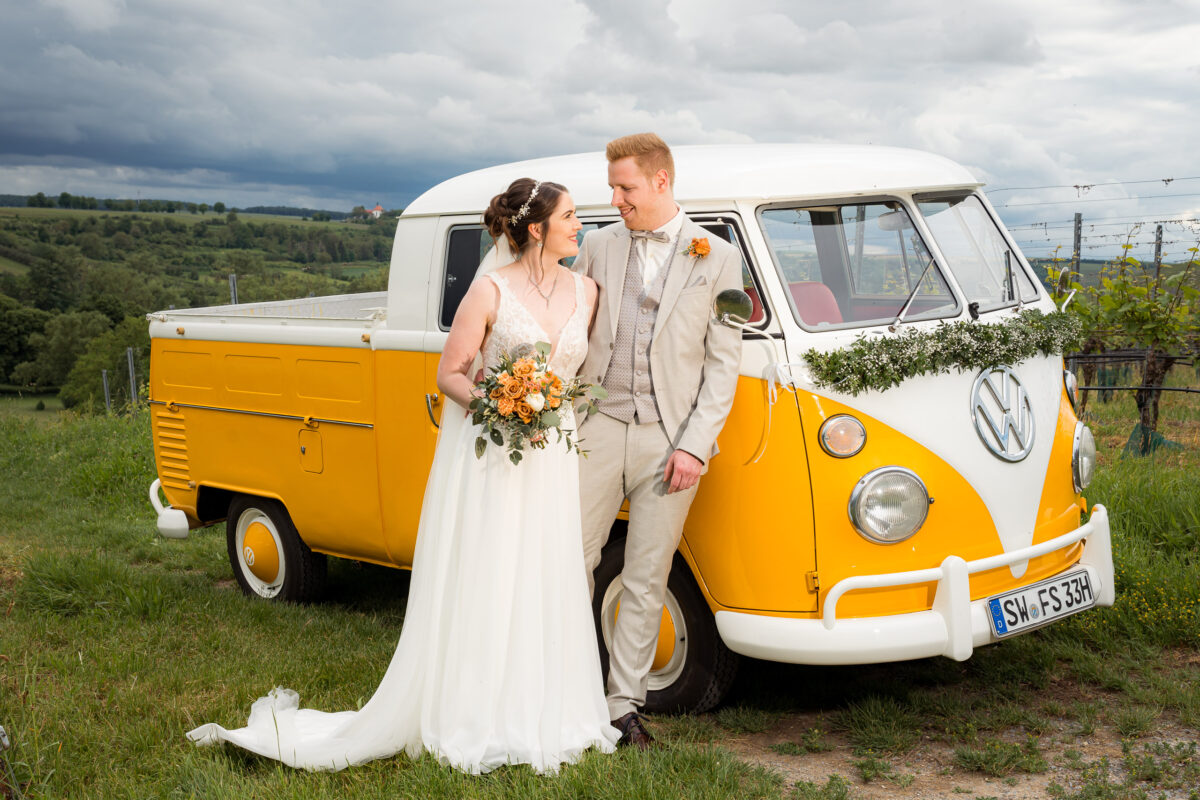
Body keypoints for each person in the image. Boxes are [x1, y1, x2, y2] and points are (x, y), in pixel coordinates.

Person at [186, 178, 619, 774]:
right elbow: (452, 374)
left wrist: (549, 405)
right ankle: (482, 713)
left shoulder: (588, 290)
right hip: (498, 452)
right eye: (571, 216)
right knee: (494, 569)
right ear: (537, 228)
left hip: (552, 456)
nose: (581, 226)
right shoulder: (491, 292)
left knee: (547, 569)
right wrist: (503, 407)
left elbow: (575, 372)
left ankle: (553, 709)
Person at [574, 133, 742, 748]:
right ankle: (567, 689)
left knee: (648, 573)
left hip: (670, 440)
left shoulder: (717, 257)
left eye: (626, 188)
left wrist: (695, 446)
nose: (615, 199)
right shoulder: (595, 245)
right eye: (613, 188)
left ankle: (622, 707)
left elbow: (723, 362)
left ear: (662, 182)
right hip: (594, 428)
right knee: (572, 561)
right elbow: (570, 325)